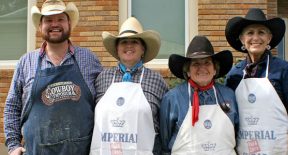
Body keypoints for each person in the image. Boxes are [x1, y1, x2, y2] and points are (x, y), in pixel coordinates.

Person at [4, 0, 103, 155]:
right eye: (48, 20)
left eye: (60, 19)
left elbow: (103, 104)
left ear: (69, 24)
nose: (54, 24)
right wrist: (13, 145)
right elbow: (12, 106)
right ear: (40, 26)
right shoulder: (26, 62)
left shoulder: (89, 59)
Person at [225, 8, 288, 155]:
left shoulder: (283, 70)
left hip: (279, 150)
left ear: (269, 38)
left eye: (261, 32)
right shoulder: (234, 74)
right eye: (250, 32)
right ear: (242, 39)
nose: (255, 38)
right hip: (244, 150)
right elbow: (229, 116)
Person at [89, 17, 168, 155]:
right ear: (117, 49)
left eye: (135, 42)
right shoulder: (102, 78)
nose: (129, 46)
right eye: (124, 42)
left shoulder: (157, 81)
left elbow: (165, 126)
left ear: (143, 49)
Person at [160, 35, 238, 155]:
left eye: (207, 63)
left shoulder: (229, 95)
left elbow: (237, 134)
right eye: (196, 64)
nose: (202, 68)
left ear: (215, 69)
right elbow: (165, 144)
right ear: (188, 71)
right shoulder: (173, 98)